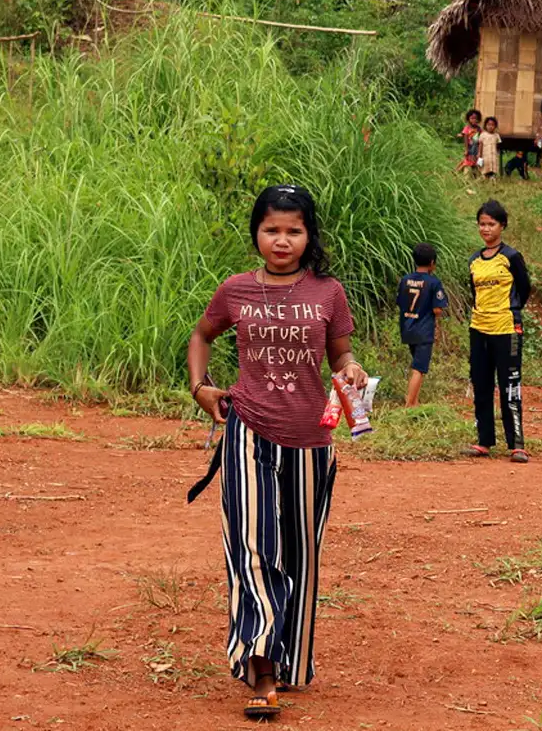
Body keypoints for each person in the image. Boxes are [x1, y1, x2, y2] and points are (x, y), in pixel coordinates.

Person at [186, 184, 367, 721]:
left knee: (301, 554)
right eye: (271, 230)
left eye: (293, 230)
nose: (281, 240)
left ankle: (290, 661)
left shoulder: (328, 292)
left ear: (308, 235)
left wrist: (351, 370)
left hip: (312, 439)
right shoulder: (236, 290)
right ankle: (262, 664)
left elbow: (341, 356)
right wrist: (201, 388)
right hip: (248, 429)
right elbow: (202, 334)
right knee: (252, 546)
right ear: (256, 234)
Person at [465, 199, 532, 462]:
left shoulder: (511, 257)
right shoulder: (474, 260)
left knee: (510, 386)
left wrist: (511, 311)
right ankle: (484, 441)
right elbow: (474, 292)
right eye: (482, 224)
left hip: (507, 329)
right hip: (478, 328)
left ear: (502, 225)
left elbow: (524, 289)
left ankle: (517, 445)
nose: (486, 229)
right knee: (481, 384)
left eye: (491, 224)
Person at [398, 243, 448, 408]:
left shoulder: (405, 280)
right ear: (432, 262)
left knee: (416, 363)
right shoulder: (434, 283)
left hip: (407, 327)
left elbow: (400, 302)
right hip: (423, 330)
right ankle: (409, 404)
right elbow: (437, 309)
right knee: (419, 368)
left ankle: (415, 401)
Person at [455, 109, 482, 176]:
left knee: (476, 163)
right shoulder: (467, 128)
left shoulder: (479, 129)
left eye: (476, 118)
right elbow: (466, 138)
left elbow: (481, 139)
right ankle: (464, 174)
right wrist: (466, 149)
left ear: (478, 119)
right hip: (470, 148)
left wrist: (480, 151)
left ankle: (476, 176)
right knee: (467, 162)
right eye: (472, 118)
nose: (474, 120)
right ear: (468, 119)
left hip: (476, 149)